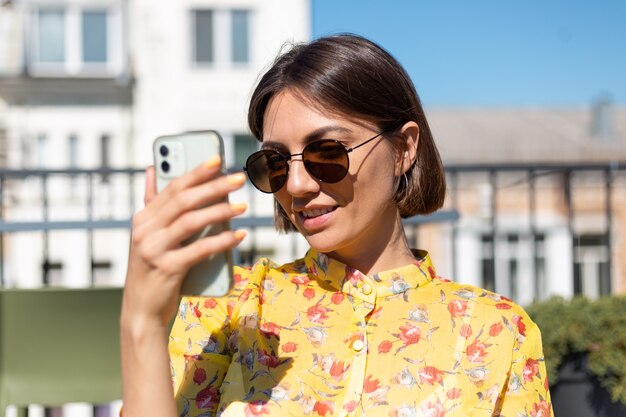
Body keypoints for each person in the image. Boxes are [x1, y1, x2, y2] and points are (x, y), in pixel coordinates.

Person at [121, 34, 552, 417]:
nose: (297, 185)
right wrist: (141, 320)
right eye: (275, 163)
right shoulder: (230, 309)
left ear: (403, 148)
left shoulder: (496, 331)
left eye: (327, 153)